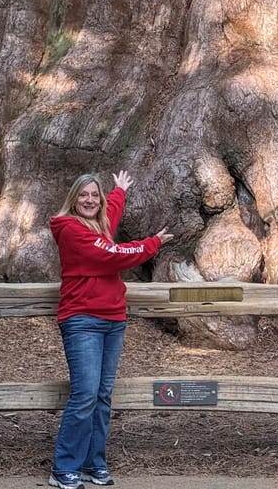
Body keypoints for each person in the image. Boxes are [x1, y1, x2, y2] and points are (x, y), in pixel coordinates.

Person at [48, 169, 173, 489]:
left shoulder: (99, 224)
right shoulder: (72, 230)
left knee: (103, 396)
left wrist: (118, 191)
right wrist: (153, 243)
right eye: (84, 195)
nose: (90, 200)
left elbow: (110, 215)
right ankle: (63, 468)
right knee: (85, 394)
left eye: (95, 195)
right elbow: (112, 256)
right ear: (73, 200)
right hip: (82, 319)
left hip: (113, 320)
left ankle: (93, 463)